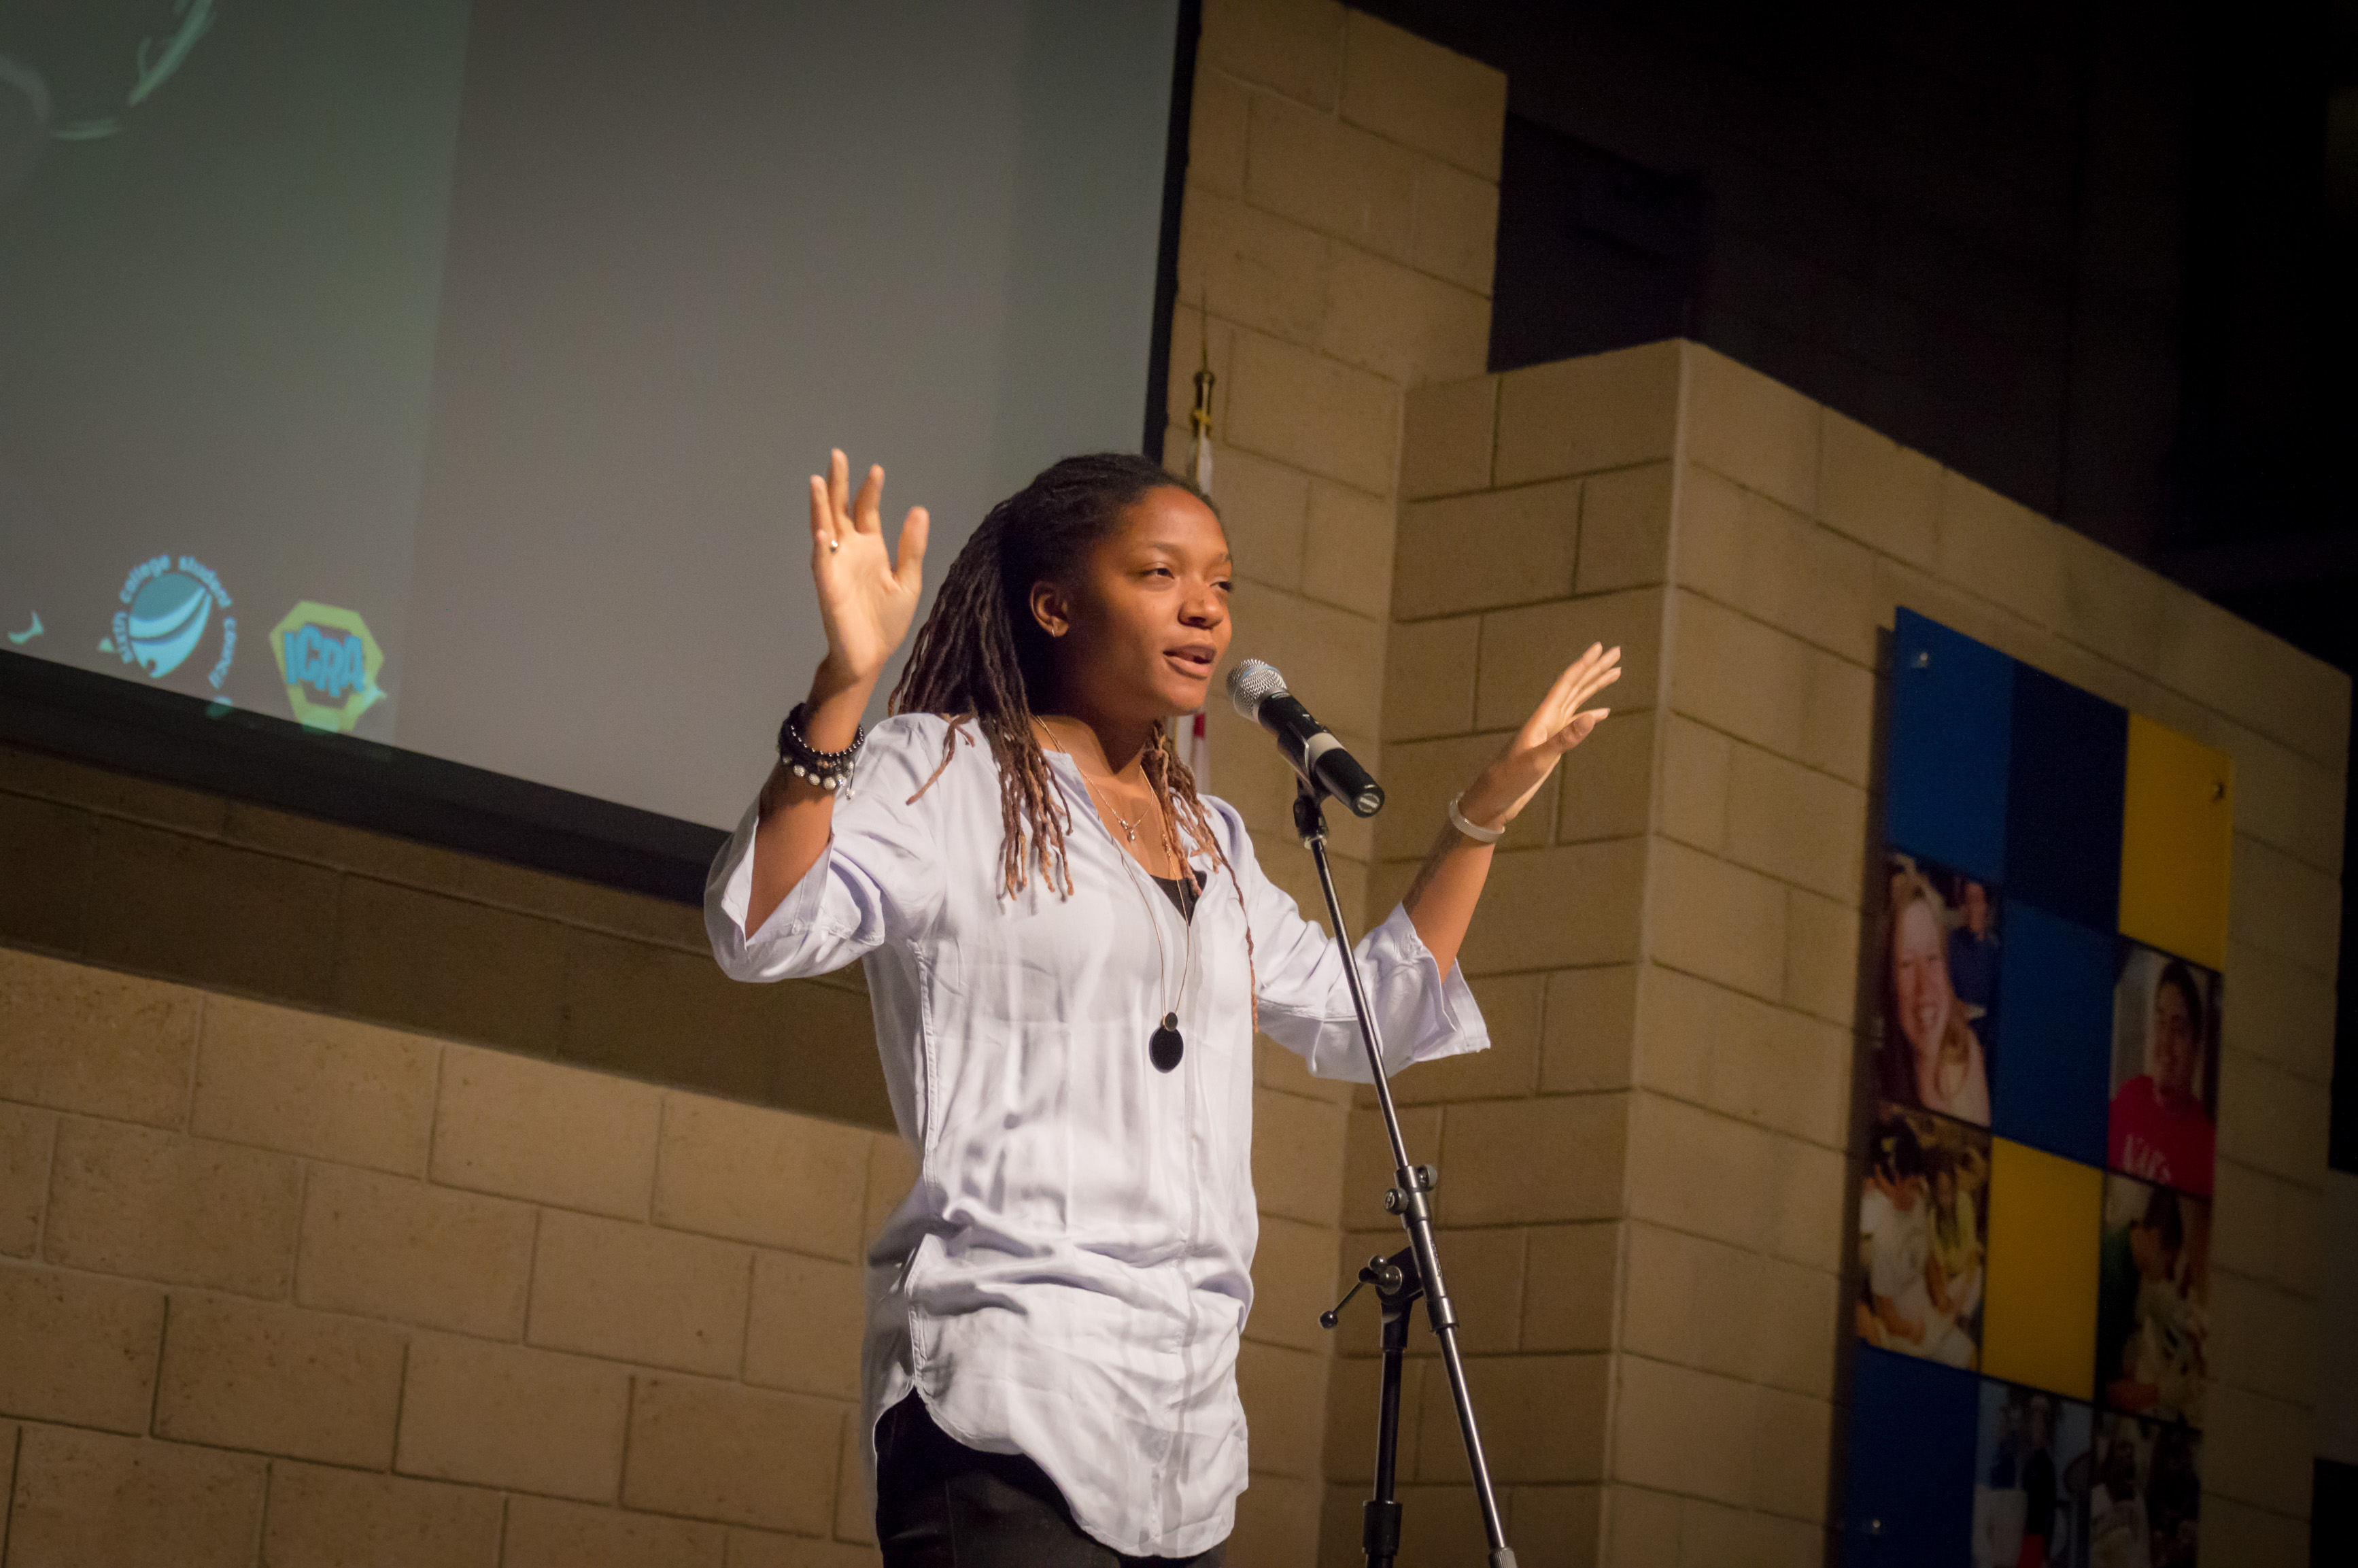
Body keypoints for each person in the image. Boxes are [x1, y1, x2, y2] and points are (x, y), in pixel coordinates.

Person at [706, 451, 1622, 1565]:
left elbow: (1364, 1018)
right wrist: (844, 682)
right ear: (1053, 604)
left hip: (1181, 1429)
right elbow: (761, 922)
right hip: (1003, 1388)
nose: (1204, 608)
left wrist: (1480, 814)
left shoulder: (1214, 839)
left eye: (1222, 583)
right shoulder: (941, 773)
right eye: (1158, 573)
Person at [1856, 1119, 1976, 1367]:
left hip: (1929, 1320)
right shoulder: (1883, 1237)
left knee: (1971, 1357)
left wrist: (1941, 1295)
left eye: (1919, 1186)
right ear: (1895, 1181)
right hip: (1904, 1334)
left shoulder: (1920, 1206)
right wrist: (1913, 1331)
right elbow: (1888, 1314)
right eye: (1911, 1186)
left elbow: (1930, 1259)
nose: (1916, 1194)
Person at [1881, 866, 1992, 1123]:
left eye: (1932, 958)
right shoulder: (1880, 1091)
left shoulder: (1967, 1055)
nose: (1924, 988)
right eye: (1907, 964)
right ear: (1891, 986)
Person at [2107, 961, 2215, 1195]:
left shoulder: (2206, 1149)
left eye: (2178, 1031)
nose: (2165, 1043)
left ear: (2196, 1049)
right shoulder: (2129, 1096)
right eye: (2161, 1023)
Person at [1927, 1152, 1984, 1330]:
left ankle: (1963, 1320)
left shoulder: (1964, 1202)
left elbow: (1972, 1256)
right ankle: (1957, 1319)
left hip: (1968, 1272)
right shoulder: (1933, 1217)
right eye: (1942, 1194)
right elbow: (1940, 1266)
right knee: (1947, 1304)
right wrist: (1945, 1297)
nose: (1946, 1200)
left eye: (1950, 1192)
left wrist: (1964, 1292)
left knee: (1979, 1277)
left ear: (1955, 1187)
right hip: (1950, 1280)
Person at [1947, 878, 1999, 1034]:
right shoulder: (1951, 943)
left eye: (1976, 900)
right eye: (1967, 901)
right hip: (1955, 1034)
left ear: (1986, 906)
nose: (1971, 908)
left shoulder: (1995, 953)